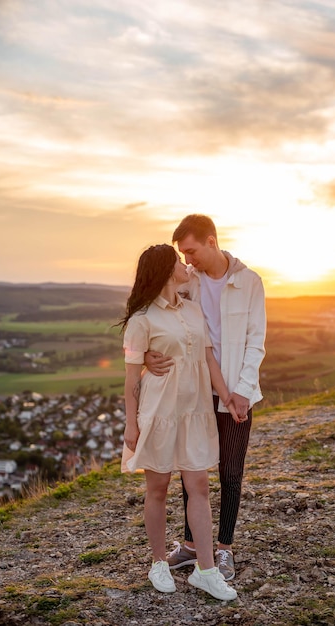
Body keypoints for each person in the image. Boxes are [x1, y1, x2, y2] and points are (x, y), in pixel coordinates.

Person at [145, 215, 266, 581]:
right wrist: (145, 355)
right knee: (190, 471)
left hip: (235, 396)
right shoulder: (189, 280)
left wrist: (243, 392)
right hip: (193, 392)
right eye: (183, 254)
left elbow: (255, 342)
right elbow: (152, 308)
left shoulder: (249, 282)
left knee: (230, 473)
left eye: (191, 251)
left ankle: (224, 550)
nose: (187, 259)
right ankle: (192, 548)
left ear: (211, 241)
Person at [118, 243, 238, 601]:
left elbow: (207, 359)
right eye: (178, 262)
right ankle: (158, 562)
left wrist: (226, 396)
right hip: (159, 411)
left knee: (198, 487)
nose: (186, 266)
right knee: (157, 489)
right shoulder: (143, 320)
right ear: (167, 271)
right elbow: (130, 379)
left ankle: (206, 570)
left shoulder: (192, 309)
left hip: (196, 411)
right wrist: (130, 423)